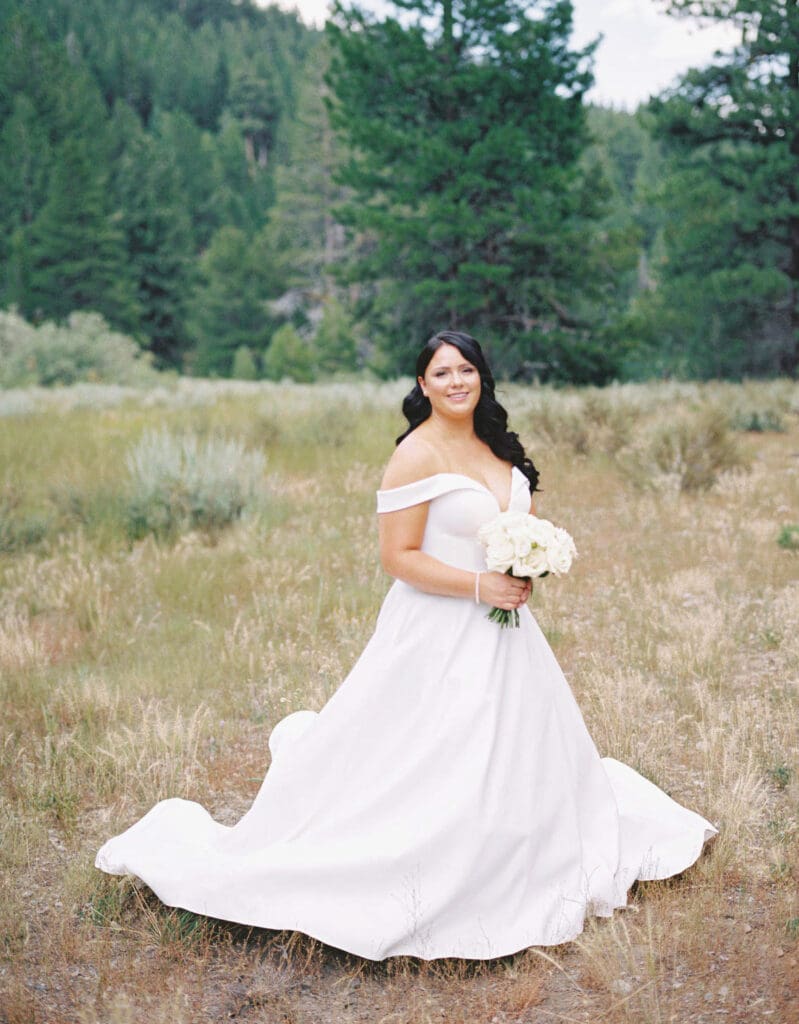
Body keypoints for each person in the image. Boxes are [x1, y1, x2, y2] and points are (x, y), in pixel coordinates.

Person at [96, 330, 717, 961]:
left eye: (466, 369)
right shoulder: (415, 455)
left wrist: (526, 562)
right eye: (441, 372)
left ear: (482, 378)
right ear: (422, 384)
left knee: (517, 748)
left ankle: (522, 846)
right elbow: (398, 557)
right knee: (434, 752)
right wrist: (480, 583)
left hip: (507, 634)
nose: (455, 381)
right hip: (436, 629)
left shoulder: (494, 444)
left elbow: (505, 523)